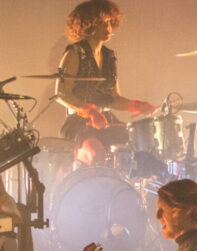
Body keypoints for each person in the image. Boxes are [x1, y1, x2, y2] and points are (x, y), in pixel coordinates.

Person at [55, 0, 157, 166]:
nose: (108, 28)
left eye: (109, 22)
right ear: (89, 25)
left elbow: (114, 98)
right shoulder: (75, 52)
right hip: (80, 122)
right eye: (102, 23)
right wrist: (91, 112)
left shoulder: (109, 56)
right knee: (97, 153)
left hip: (105, 119)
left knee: (139, 149)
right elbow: (61, 94)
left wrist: (138, 105)